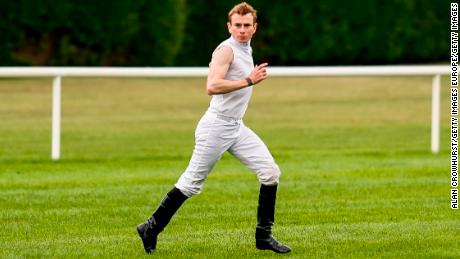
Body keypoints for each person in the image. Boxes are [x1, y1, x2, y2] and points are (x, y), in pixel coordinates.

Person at [136, 2, 291, 254]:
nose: (241, 30)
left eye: (246, 25)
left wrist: (248, 78)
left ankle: (264, 236)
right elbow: (212, 85)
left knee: (270, 172)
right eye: (237, 25)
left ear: (255, 28)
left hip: (235, 127)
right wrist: (248, 80)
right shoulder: (226, 50)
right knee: (191, 184)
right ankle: (151, 227)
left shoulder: (245, 48)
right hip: (216, 127)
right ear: (229, 26)